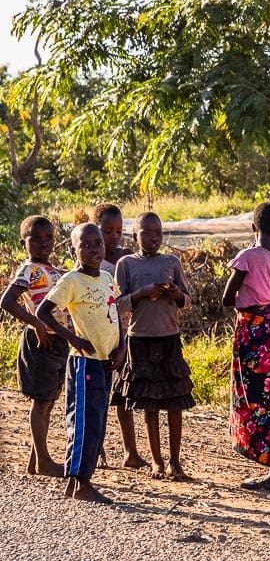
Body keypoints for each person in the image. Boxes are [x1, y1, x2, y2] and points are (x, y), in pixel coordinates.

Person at [36, 223, 123, 503]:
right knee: (84, 422)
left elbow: (115, 313)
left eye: (98, 243)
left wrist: (121, 347)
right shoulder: (72, 280)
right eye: (85, 245)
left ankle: (78, 482)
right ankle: (79, 482)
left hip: (106, 361)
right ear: (74, 251)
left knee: (98, 422)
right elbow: (43, 312)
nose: (94, 249)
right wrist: (72, 338)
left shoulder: (107, 277)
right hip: (85, 362)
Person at [222, 202, 270, 493]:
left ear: (253, 227)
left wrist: (245, 304)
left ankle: (267, 463)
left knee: (252, 394)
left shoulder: (247, 257)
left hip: (253, 332)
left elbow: (227, 297)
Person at [115, 212, 194, 481]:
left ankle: (175, 461)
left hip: (169, 337)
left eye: (158, 233)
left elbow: (187, 301)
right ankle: (157, 461)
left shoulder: (172, 262)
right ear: (134, 235)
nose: (153, 238)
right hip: (140, 340)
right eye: (146, 233)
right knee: (150, 405)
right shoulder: (126, 264)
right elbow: (118, 304)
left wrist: (175, 293)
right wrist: (141, 293)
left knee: (174, 402)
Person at [1, 216, 69, 478]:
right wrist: (37, 324)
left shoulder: (53, 271)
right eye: (36, 239)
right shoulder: (29, 270)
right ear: (23, 243)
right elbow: (7, 301)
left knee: (48, 400)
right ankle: (43, 461)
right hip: (41, 341)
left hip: (57, 340)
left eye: (48, 238)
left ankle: (36, 460)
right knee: (41, 402)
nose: (44, 243)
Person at [94, 202, 145, 471]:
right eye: (107, 231)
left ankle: (130, 452)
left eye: (118, 231)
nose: (114, 236)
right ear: (96, 230)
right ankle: (95, 448)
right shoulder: (92, 261)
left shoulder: (127, 259)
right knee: (98, 394)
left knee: (123, 393)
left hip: (126, 334)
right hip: (99, 335)